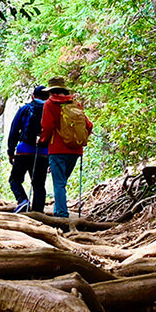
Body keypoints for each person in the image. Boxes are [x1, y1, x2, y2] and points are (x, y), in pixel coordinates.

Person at [39, 77, 93, 218]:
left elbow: (47, 126)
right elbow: (88, 125)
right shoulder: (75, 104)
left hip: (57, 149)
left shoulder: (50, 104)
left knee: (59, 183)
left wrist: (42, 141)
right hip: (75, 150)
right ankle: (60, 210)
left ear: (51, 91)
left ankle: (61, 214)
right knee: (62, 181)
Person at [7, 86, 50, 213]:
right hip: (43, 153)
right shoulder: (51, 111)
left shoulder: (25, 109)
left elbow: (14, 131)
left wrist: (11, 151)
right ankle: (38, 213)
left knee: (15, 179)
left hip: (24, 151)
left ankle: (23, 201)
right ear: (47, 97)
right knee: (38, 185)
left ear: (33, 96)